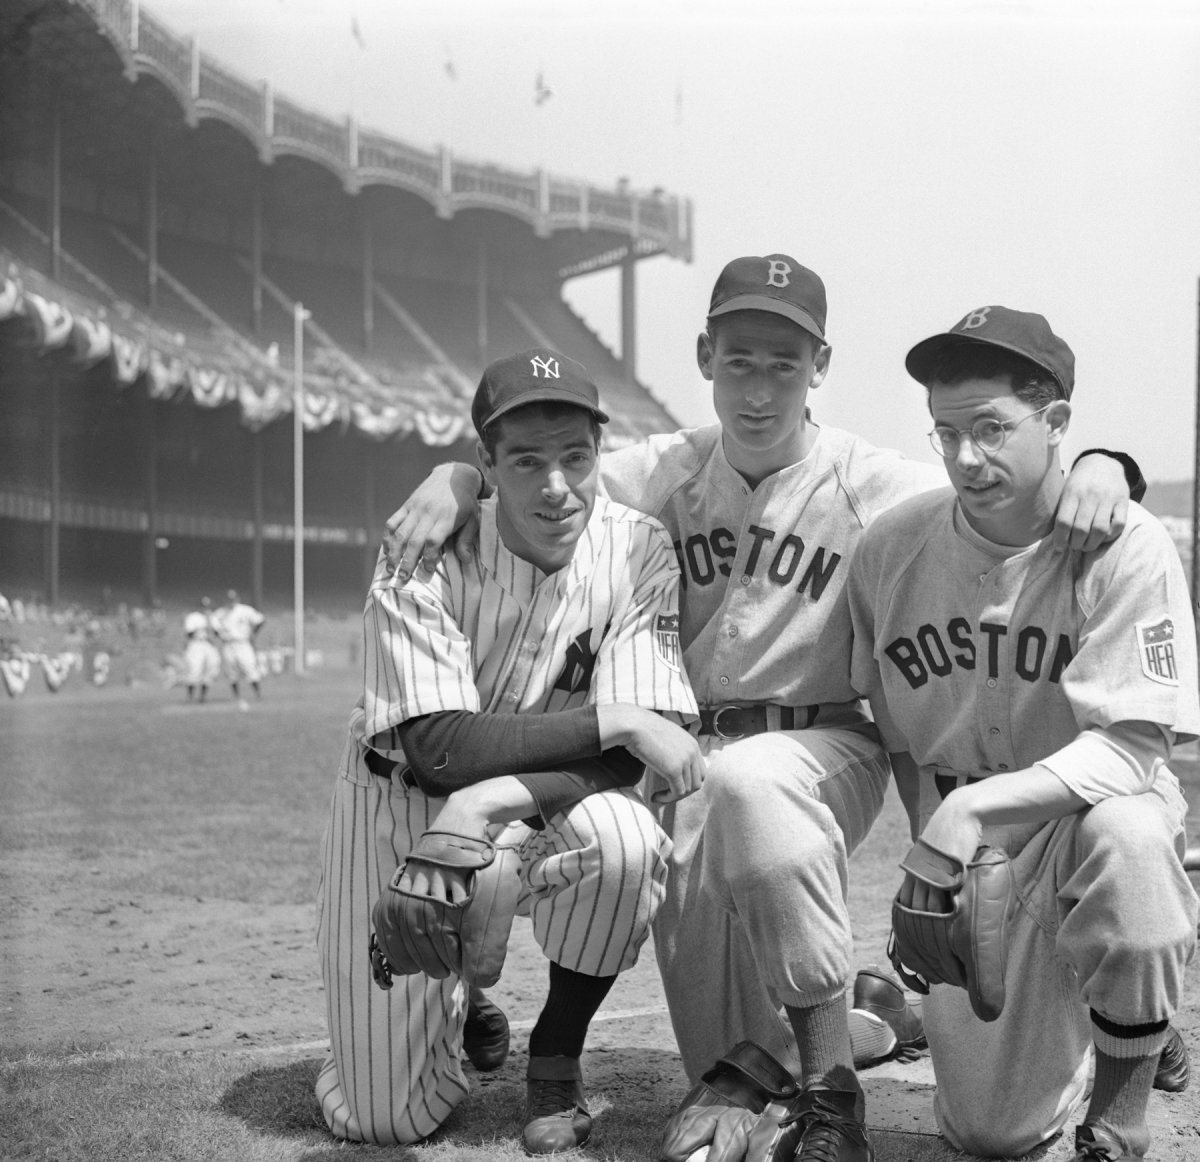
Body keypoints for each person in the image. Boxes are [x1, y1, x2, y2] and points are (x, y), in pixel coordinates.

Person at [383, 257, 1140, 1158]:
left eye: (785, 362)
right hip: (679, 760)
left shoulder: (874, 482)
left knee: (752, 815)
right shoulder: (655, 471)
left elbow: (1003, 484)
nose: (760, 386)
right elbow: (542, 469)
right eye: (740, 359)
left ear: (821, 365)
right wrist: (455, 477)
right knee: (727, 1059)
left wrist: (1103, 460)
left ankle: (829, 1081)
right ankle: (871, 1019)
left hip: (820, 746)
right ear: (705, 355)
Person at [316, 348, 702, 1151]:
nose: (556, 486)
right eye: (526, 460)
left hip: (534, 805)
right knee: (383, 1120)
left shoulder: (638, 549)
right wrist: (617, 720)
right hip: (399, 806)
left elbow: (640, 761)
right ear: (486, 465)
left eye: (576, 457)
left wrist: (492, 803)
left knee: (626, 842)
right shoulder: (421, 552)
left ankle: (556, 1052)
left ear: (599, 455)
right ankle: (450, 1008)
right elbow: (437, 751)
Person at [846, 306, 1198, 1161]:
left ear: (1058, 424)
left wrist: (967, 819)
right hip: (972, 848)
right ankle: (1102, 1003)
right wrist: (942, 859)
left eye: (994, 428)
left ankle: (1122, 1107)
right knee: (992, 1135)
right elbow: (895, 728)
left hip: (1085, 824)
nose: (968, 458)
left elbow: (1132, 749)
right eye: (947, 433)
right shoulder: (890, 549)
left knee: (1131, 837)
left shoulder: (1128, 545)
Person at [214, 589, 265, 703]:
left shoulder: (244, 610)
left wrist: (254, 633)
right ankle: (236, 696)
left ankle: (257, 693)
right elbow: (215, 628)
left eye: (233, 599)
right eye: (228, 600)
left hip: (242, 643)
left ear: (237, 599)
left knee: (249, 667)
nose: (231, 602)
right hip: (228, 644)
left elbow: (260, 620)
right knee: (231, 671)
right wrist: (220, 636)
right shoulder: (220, 613)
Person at [182, 597, 222, 702]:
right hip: (196, 643)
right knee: (194, 669)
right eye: (204, 606)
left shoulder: (213, 617)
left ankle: (203, 696)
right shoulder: (193, 617)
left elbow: (218, 633)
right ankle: (190, 696)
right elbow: (189, 633)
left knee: (212, 668)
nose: (206, 608)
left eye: (208, 606)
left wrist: (210, 625)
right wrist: (202, 627)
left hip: (209, 644)